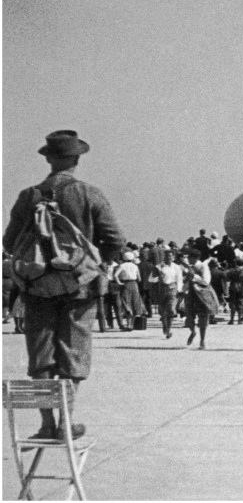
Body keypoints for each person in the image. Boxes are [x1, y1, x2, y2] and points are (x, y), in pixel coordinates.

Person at [2, 130, 125, 441]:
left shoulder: (28, 195)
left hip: (36, 287)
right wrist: (94, 265)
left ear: (48, 158)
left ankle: (45, 423)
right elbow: (115, 240)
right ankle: (66, 424)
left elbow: (8, 241)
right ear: (77, 159)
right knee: (74, 353)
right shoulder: (89, 194)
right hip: (80, 289)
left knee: (41, 356)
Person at [183, 248, 218, 349]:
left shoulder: (203, 267)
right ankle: (193, 331)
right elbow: (187, 281)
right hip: (191, 294)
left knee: (203, 318)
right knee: (188, 316)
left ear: (195, 258)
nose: (188, 260)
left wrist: (194, 277)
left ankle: (202, 341)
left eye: (189, 258)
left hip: (202, 294)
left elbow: (206, 281)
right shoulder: (189, 267)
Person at [153, 249, 183, 338]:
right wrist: (158, 277)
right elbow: (151, 279)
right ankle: (164, 325)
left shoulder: (177, 267)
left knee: (171, 309)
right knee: (162, 310)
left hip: (173, 288)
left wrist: (180, 290)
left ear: (173, 257)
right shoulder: (159, 266)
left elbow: (179, 279)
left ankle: (169, 329)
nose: (169, 258)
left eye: (171, 256)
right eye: (167, 256)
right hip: (162, 288)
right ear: (164, 257)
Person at [113, 251, 144, 328]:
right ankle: (132, 325)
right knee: (134, 303)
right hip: (134, 284)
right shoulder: (135, 266)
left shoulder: (122, 266)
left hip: (125, 284)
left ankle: (128, 324)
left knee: (126, 303)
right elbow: (139, 279)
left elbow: (115, 275)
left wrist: (119, 282)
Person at [223, 258, 243, 325]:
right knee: (241, 302)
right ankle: (240, 319)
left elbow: (224, 275)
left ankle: (232, 320)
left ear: (236, 263)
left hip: (233, 287)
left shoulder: (231, 270)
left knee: (232, 303)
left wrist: (228, 280)